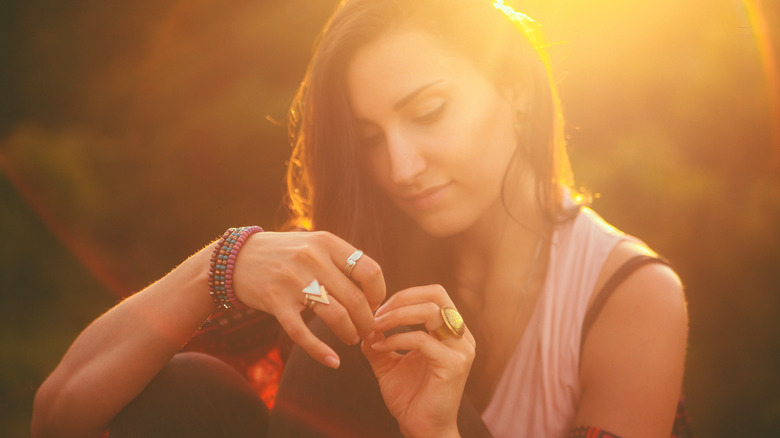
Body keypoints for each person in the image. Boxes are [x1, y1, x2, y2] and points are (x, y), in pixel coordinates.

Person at [31, 0, 690, 437]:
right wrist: (220, 266)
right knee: (191, 387)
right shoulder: (352, 255)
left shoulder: (628, 296)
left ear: (514, 90)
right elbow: (58, 418)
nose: (400, 167)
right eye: (370, 137)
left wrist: (434, 432)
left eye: (428, 112)